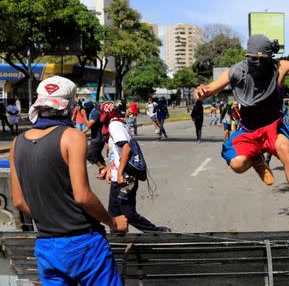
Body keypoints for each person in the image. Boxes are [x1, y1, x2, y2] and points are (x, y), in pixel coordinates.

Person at [193, 34, 289, 232]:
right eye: (252, 58)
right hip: (248, 129)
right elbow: (210, 89)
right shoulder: (236, 71)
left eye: (261, 59)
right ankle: (257, 160)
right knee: (237, 165)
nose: (256, 63)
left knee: (284, 149)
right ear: (248, 56)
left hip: (273, 125)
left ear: (270, 57)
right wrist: (201, 91)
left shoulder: (281, 67)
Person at [9, 76, 128, 285]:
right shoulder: (72, 136)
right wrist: (113, 222)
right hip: (84, 244)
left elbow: (18, 201)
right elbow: (82, 196)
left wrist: (51, 218)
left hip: (47, 247)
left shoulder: (17, 143)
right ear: (71, 106)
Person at [101, 101, 170, 233]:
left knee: (127, 214)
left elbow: (126, 148)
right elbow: (117, 152)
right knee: (114, 214)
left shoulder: (114, 125)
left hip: (126, 179)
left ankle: (157, 232)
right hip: (119, 178)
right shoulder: (117, 123)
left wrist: (120, 173)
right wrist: (109, 169)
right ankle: (118, 244)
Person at [82, 99, 107, 179]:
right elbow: (93, 128)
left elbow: (89, 125)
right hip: (97, 137)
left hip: (98, 139)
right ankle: (105, 171)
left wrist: (84, 116)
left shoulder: (95, 113)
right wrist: (82, 133)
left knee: (89, 155)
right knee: (97, 154)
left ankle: (102, 168)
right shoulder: (93, 112)